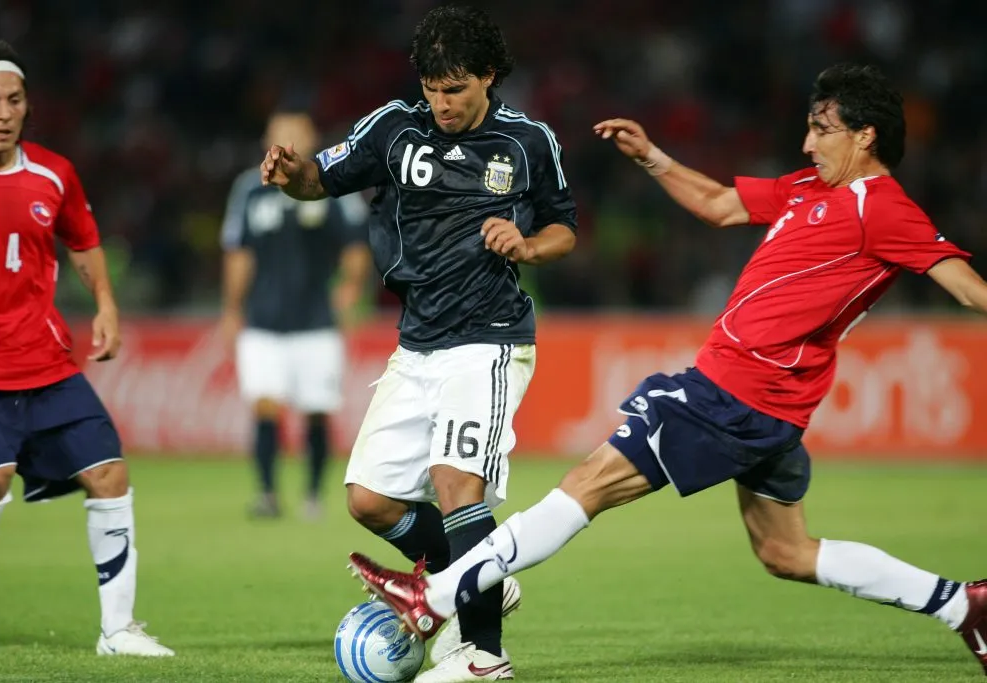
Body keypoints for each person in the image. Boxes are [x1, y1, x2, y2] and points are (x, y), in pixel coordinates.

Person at [347, 63, 987, 677]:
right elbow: (718, 203)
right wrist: (652, 157)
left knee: (589, 482)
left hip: (735, 396)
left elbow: (963, 286)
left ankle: (432, 600)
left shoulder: (884, 207)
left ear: (865, 134)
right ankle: (964, 605)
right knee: (786, 553)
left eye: (822, 129)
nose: (807, 142)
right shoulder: (807, 188)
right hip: (767, 406)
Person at [261, 5, 577, 680]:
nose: (441, 102)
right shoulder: (394, 127)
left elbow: (564, 230)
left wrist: (526, 243)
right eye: (432, 88)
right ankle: (483, 572)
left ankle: (484, 655)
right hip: (417, 341)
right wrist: (289, 174)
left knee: (457, 482)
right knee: (369, 499)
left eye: (456, 89)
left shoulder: (527, 142)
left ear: (489, 76)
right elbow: (318, 177)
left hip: (488, 339)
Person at [0, 40, 173, 656]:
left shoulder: (53, 173)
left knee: (109, 474)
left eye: (15, 101)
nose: (4, 113)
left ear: (27, 107)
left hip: (47, 361)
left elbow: (82, 240)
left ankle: (117, 631)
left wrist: (106, 303)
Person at [221, 106, 371, 520]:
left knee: (317, 409)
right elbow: (239, 252)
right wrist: (232, 309)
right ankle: (268, 494)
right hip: (263, 321)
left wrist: (351, 285)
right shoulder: (249, 189)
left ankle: (312, 496)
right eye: (279, 131)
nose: (287, 137)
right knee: (265, 406)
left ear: (311, 139)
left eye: (295, 131)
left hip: (316, 321)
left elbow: (356, 241)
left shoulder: (331, 184)